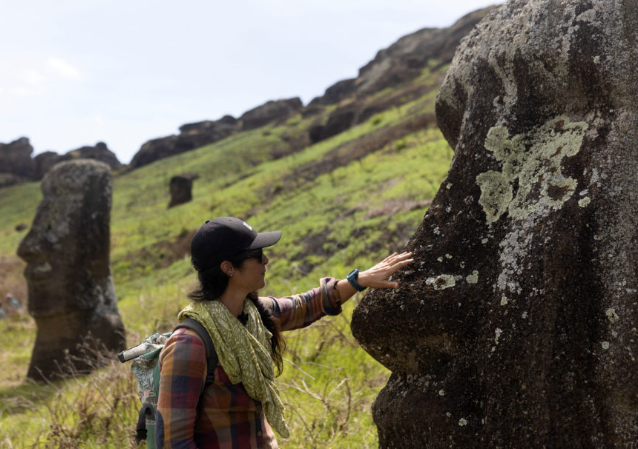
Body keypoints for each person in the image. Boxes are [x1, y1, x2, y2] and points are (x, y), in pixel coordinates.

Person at [155, 217, 413, 448]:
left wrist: (359, 280)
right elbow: (173, 441)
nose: (265, 260)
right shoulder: (189, 345)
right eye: (257, 254)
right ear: (228, 267)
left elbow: (307, 305)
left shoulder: (254, 313)